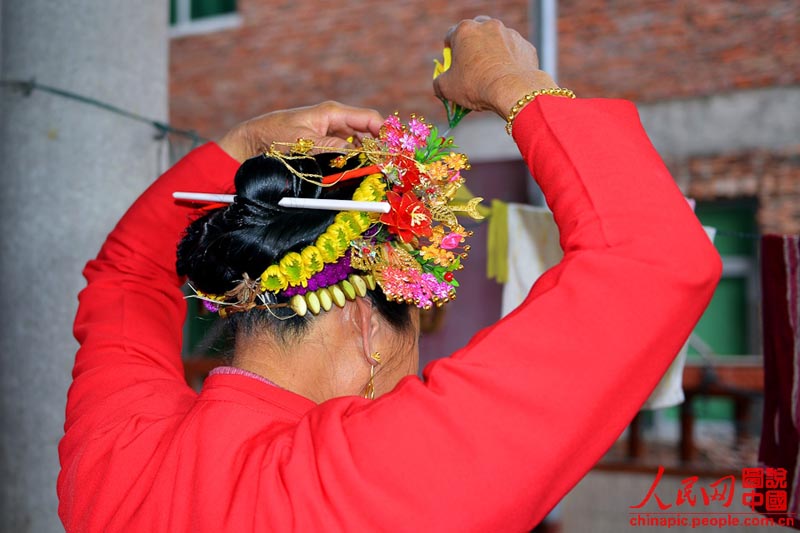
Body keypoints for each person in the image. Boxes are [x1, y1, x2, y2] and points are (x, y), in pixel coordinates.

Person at [58, 16, 721, 532]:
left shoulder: (121, 457)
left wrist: (237, 148)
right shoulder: (373, 480)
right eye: (420, 336)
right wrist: (512, 82)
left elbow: (123, 277)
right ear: (366, 322)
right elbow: (658, 260)